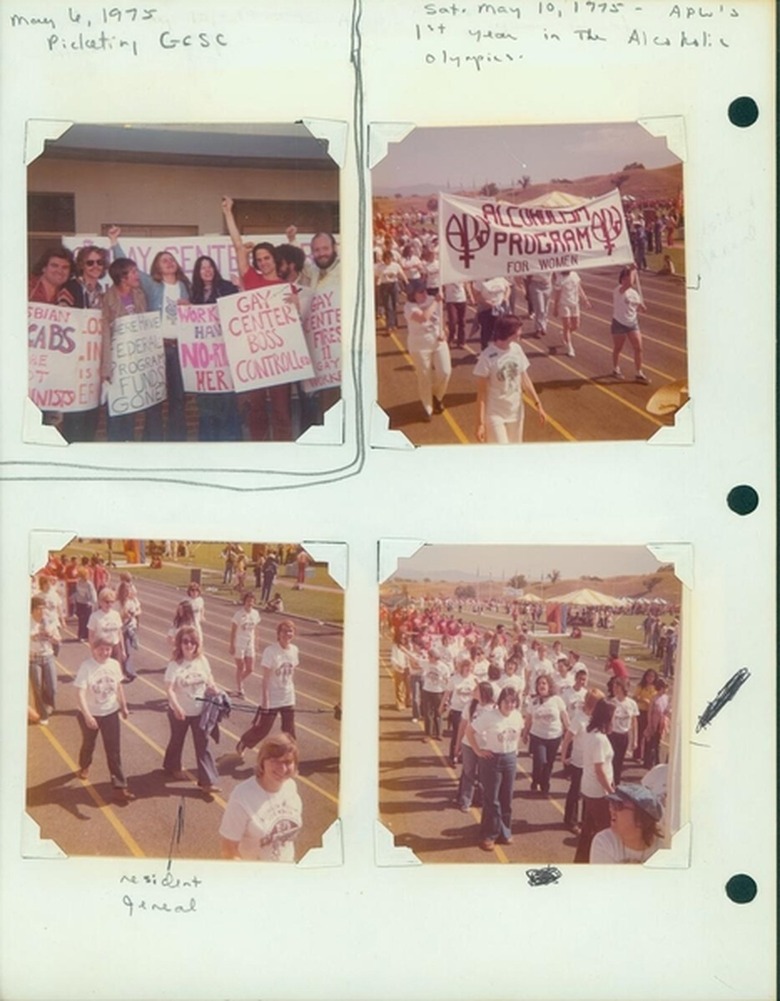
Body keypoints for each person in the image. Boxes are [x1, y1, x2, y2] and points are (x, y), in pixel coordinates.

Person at [221, 196, 292, 441]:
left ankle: (283, 452)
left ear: (275, 259)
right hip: (255, 356)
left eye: (266, 258)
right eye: (259, 259)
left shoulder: (287, 287)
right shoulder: (252, 280)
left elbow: (295, 322)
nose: (263, 262)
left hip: (280, 358)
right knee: (257, 411)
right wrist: (228, 212)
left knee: (282, 412)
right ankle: (259, 452)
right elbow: (237, 245)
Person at [108, 230, 192, 440]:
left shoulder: (185, 286)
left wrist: (189, 307)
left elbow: (196, 317)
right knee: (154, 398)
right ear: (156, 267)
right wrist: (114, 242)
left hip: (179, 349)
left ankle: (177, 442)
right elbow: (124, 266)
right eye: (164, 260)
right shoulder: (152, 285)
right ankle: (152, 442)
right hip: (157, 348)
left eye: (171, 259)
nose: (169, 262)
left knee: (178, 398)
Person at [219, 733, 303, 861]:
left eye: (288, 761)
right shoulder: (242, 796)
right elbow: (228, 849)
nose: (282, 768)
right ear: (262, 762)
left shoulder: (290, 787)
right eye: (274, 761)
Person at [73, 639, 134, 803]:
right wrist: (87, 715)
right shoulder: (86, 667)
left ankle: (119, 787)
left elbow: (119, 686)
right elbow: (80, 693)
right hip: (90, 713)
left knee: (113, 750)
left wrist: (124, 706)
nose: (104, 652)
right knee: (88, 743)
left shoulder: (114, 664)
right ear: (94, 649)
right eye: (101, 649)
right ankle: (84, 765)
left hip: (110, 712)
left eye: (108, 649)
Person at [162, 626, 221, 795]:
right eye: (185, 641)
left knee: (203, 744)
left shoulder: (202, 660)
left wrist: (213, 687)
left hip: (200, 711)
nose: (189, 645)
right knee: (177, 740)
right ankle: (171, 765)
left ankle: (207, 781)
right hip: (179, 711)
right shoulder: (175, 664)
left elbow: (209, 678)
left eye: (193, 642)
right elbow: (169, 689)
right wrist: (177, 707)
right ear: (180, 643)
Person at [188, 255, 242, 441]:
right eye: (202, 268)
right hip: (204, 361)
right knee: (206, 402)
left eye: (210, 266)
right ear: (198, 272)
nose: (207, 270)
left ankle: (230, 442)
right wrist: (186, 309)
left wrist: (240, 288)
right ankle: (208, 443)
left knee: (227, 401)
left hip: (225, 356)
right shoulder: (194, 293)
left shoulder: (226, 287)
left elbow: (240, 310)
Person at [101, 257, 153, 441]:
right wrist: (106, 367)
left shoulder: (139, 294)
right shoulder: (107, 298)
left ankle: (128, 445)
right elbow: (105, 333)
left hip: (135, 360)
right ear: (122, 277)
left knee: (131, 407)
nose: (137, 275)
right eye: (133, 272)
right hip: (117, 360)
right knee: (117, 409)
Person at [473, 315, 546, 445]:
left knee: (515, 451)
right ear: (509, 333)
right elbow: (481, 394)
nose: (521, 332)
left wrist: (538, 405)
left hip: (515, 411)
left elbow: (525, 380)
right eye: (518, 330)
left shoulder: (517, 349)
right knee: (502, 453)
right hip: (495, 413)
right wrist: (480, 424)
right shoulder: (487, 357)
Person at [466, 686, 523, 850]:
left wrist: (515, 751)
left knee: (507, 798)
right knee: (492, 800)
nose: (510, 705)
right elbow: (470, 731)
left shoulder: (517, 716)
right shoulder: (489, 716)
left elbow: (518, 732)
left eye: (513, 702)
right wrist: (478, 751)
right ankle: (488, 835)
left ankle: (504, 832)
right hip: (492, 761)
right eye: (507, 701)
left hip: (510, 759)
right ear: (500, 702)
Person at [235, 621, 300, 759]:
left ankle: (289, 756)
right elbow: (265, 679)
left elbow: (291, 673)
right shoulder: (271, 651)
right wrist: (265, 701)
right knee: (263, 729)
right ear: (278, 633)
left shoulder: (294, 650)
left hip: (288, 696)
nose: (287, 634)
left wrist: (291, 694)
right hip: (273, 697)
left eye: (290, 631)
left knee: (289, 730)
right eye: (284, 631)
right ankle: (244, 742)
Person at [403, 279, 451, 421]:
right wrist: (436, 301)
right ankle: (427, 407)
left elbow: (441, 318)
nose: (425, 294)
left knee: (445, 371)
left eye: (425, 290)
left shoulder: (431, 299)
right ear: (412, 294)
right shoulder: (409, 307)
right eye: (420, 292)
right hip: (420, 346)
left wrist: (445, 331)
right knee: (424, 376)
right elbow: (423, 318)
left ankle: (437, 395)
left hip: (438, 342)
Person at [574, 698, 616, 862]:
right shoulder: (599, 739)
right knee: (604, 831)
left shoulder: (591, 733)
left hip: (589, 789)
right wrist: (611, 791)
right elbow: (599, 770)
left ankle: (580, 860)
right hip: (598, 792)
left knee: (588, 830)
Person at [561, 687, 605, 832]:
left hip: (591, 763)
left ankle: (586, 819)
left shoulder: (596, 719)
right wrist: (563, 756)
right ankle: (570, 820)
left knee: (589, 791)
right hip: (579, 762)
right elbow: (567, 739)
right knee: (575, 791)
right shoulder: (579, 718)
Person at [590, 783, 663, 863]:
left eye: (618, 806)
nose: (611, 810)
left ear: (641, 819)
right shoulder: (604, 842)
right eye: (612, 804)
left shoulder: (663, 848)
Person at [522, 674, 570, 795]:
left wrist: (569, 733)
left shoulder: (557, 700)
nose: (541, 686)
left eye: (544, 683)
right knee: (540, 761)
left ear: (549, 686)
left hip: (554, 737)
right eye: (539, 684)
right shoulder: (533, 702)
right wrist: (525, 733)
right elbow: (528, 719)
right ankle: (536, 779)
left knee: (549, 762)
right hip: (538, 736)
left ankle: (545, 783)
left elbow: (565, 717)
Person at [455, 681, 495, 811]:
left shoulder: (494, 709)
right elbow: (462, 725)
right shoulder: (470, 706)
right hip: (469, 745)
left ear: (484, 692)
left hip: (485, 747)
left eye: (476, 689)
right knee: (468, 773)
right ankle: (466, 801)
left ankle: (482, 799)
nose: (473, 690)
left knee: (484, 775)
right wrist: (458, 744)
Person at [610, 264, 650, 384]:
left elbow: (637, 307)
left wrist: (642, 307)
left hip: (632, 324)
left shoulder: (634, 293)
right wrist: (632, 270)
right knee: (618, 348)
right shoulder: (618, 290)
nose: (630, 280)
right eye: (627, 277)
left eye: (631, 277)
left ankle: (639, 372)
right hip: (618, 323)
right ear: (622, 280)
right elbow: (627, 286)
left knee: (638, 348)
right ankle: (615, 369)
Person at [440, 656, 476, 766]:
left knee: (467, 735)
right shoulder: (454, 679)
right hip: (456, 710)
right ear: (461, 667)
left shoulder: (474, 679)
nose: (468, 669)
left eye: (470, 667)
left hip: (469, 711)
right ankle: (453, 756)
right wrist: (441, 706)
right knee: (457, 734)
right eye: (466, 667)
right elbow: (447, 693)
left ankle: (462, 755)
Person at [29, 595, 58, 725]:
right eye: (38, 609)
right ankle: (42, 714)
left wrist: (51, 636)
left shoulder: (48, 621)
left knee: (52, 687)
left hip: (48, 656)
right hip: (34, 658)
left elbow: (58, 640)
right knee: (37, 687)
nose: (41, 612)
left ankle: (48, 704)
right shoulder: (27, 623)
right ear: (32, 610)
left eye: (43, 609)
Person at [551, 270, 590, 357]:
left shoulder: (575, 275)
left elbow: (579, 288)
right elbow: (557, 295)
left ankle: (565, 333)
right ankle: (570, 347)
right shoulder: (559, 279)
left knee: (576, 325)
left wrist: (585, 300)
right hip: (564, 304)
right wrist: (555, 308)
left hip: (575, 303)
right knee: (567, 325)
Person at [607, 677, 639, 785]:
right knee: (610, 760)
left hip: (623, 736)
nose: (615, 689)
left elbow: (634, 722)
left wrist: (635, 740)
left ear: (623, 688)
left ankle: (616, 783)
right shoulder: (611, 702)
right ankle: (608, 782)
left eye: (617, 686)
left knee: (619, 762)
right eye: (614, 687)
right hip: (612, 735)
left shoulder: (631, 704)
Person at [229, 592, 261, 697]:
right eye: (248, 601)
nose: (250, 603)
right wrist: (232, 645)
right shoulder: (238, 614)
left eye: (252, 601)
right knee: (240, 667)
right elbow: (233, 631)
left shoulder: (255, 614)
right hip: (239, 643)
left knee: (250, 669)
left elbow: (256, 630)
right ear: (244, 601)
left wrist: (256, 643)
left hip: (250, 643)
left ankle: (239, 681)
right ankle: (240, 689)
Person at [375, 250, 407, 334]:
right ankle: (389, 326)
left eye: (389, 258)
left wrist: (406, 282)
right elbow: (376, 276)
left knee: (394, 305)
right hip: (385, 286)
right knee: (388, 307)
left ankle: (394, 324)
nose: (388, 260)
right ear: (384, 259)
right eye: (386, 259)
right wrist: (377, 284)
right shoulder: (379, 267)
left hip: (394, 286)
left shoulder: (395, 266)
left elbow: (401, 274)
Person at [632, 668, 659, 762]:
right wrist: (643, 700)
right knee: (640, 734)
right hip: (642, 712)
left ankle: (647, 757)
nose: (650, 678)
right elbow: (634, 697)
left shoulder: (656, 688)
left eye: (652, 676)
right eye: (648, 676)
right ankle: (637, 755)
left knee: (649, 735)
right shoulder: (641, 686)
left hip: (651, 713)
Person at [73, 566, 98, 642]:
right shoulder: (79, 582)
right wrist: (74, 599)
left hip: (87, 604)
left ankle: (86, 635)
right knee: (81, 620)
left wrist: (91, 602)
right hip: (80, 603)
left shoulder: (89, 584)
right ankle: (80, 635)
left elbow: (93, 594)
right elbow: (77, 592)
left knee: (87, 620)